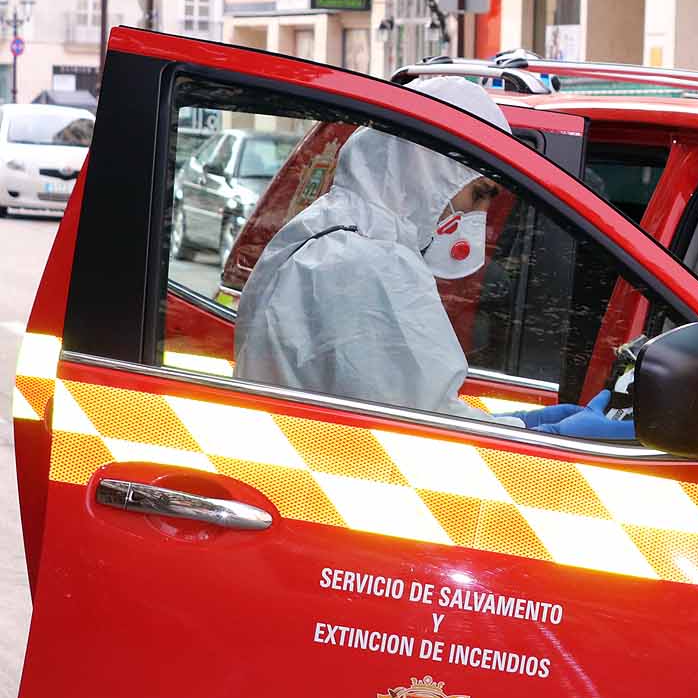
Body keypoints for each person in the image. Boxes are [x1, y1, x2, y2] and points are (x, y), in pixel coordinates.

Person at [234, 76, 627, 436]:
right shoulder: (367, 265)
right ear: (433, 172)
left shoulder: (330, 229)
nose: (479, 216)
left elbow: (402, 405)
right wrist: (546, 439)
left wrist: (513, 423)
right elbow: (427, 435)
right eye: (478, 194)